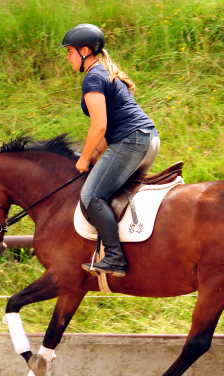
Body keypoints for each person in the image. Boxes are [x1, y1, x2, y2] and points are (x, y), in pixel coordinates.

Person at [60, 23, 159, 277]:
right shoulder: (104, 72)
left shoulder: (93, 77)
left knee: (92, 196)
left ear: (84, 51)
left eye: (69, 51)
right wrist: (95, 153)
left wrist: (84, 158)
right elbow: (110, 124)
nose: (67, 57)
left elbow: (99, 125)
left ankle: (114, 258)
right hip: (147, 138)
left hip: (132, 140)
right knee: (110, 193)